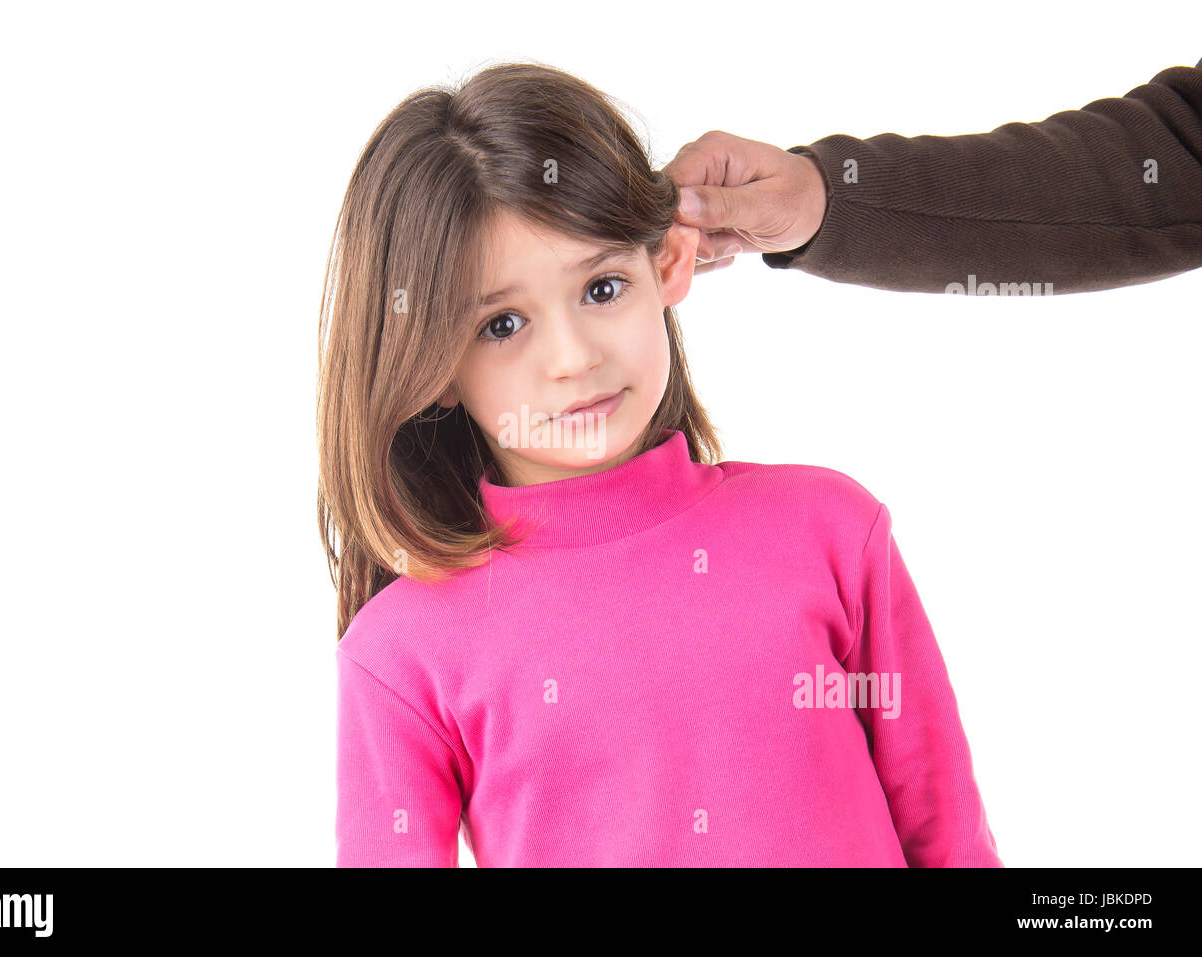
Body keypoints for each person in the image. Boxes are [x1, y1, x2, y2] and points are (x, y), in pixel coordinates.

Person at [321, 61, 1002, 867]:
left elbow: (950, 838)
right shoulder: (400, 653)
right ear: (428, 361)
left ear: (670, 263)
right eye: (502, 325)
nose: (572, 357)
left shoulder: (832, 530)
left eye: (602, 288)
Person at [665, 57, 1202, 293]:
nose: (577, 359)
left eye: (602, 290)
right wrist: (823, 197)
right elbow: (1177, 154)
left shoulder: (829, 518)